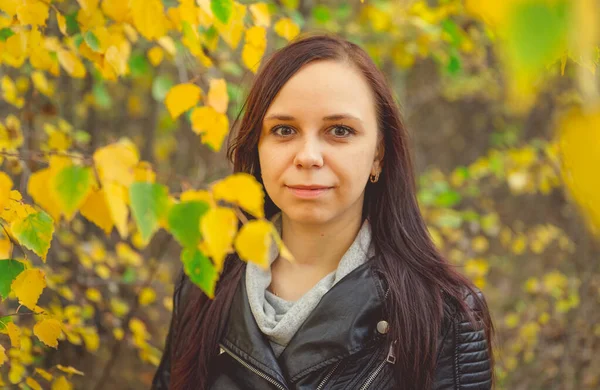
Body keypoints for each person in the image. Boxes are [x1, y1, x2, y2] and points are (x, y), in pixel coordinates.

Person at [152, 32, 495, 390]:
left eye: (339, 131)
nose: (308, 157)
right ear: (257, 147)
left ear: (378, 153)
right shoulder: (206, 282)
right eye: (284, 130)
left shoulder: (444, 315)